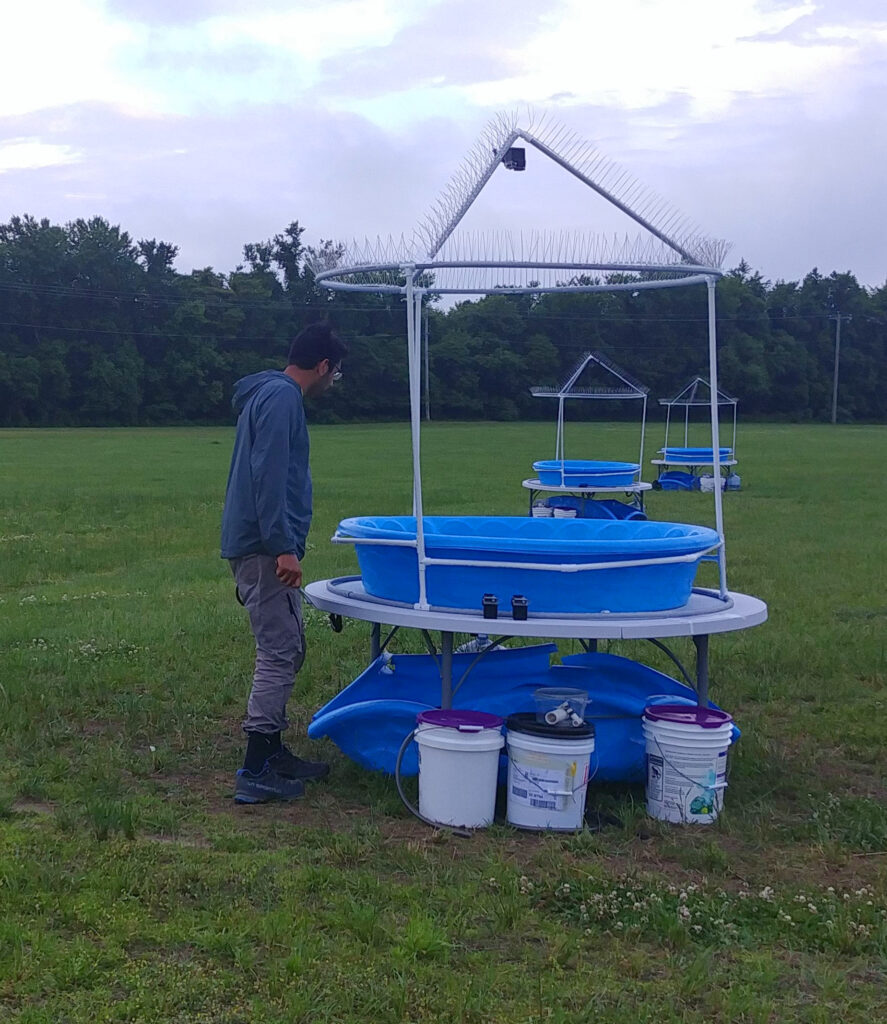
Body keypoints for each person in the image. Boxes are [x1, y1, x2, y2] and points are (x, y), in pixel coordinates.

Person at [221, 322, 347, 804]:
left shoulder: (270, 395)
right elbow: (268, 476)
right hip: (264, 547)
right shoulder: (282, 399)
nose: (334, 381)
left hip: (261, 544)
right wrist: (282, 546)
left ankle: (273, 751)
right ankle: (256, 769)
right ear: (322, 367)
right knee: (279, 650)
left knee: (288, 645)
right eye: (335, 373)